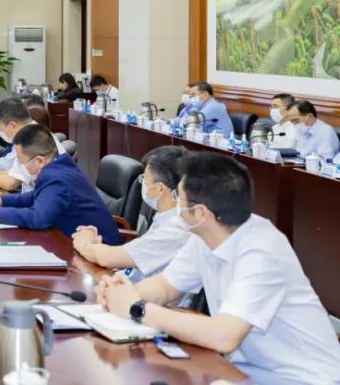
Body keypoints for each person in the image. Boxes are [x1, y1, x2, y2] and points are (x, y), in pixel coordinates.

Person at [95, 152, 340, 384]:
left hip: (307, 379)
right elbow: (165, 287)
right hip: (246, 372)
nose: (176, 205)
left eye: (180, 198)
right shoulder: (204, 235)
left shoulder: (262, 250)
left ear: (201, 213)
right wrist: (119, 291)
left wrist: (137, 308)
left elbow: (224, 336)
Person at [0, 124, 122, 244]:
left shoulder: (55, 178)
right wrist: (1, 200)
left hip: (100, 250)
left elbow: (38, 218)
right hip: (74, 240)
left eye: (20, 160)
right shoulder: (60, 164)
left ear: (39, 161)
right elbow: (35, 196)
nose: (19, 165)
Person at [73, 146, 191, 284]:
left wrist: (84, 244)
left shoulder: (175, 229)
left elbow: (107, 258)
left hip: (138, 292)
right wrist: (95, 246)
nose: (143, 183)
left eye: (144, 179)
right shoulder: (166, 215)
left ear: (159, 189)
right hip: (126, 280)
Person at [0, 97, 65, 192]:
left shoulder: (31, 139)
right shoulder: (33, 131)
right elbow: (14, 173)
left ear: (12, 126)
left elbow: (10, 183)